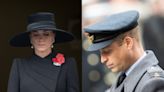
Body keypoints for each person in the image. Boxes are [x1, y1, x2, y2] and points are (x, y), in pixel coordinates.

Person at [84, 10, 164, 92]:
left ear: (128, 43)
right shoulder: (124, 76)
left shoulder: (152, 83)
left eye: (107, 51)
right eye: (101, 52)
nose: (103, 59)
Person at [8, 12, 79, 92]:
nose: (41, 39)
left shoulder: (68, 64)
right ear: (30, 38)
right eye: (36, 35)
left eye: (46, 34)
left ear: (53, 37)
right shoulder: (19, 65)